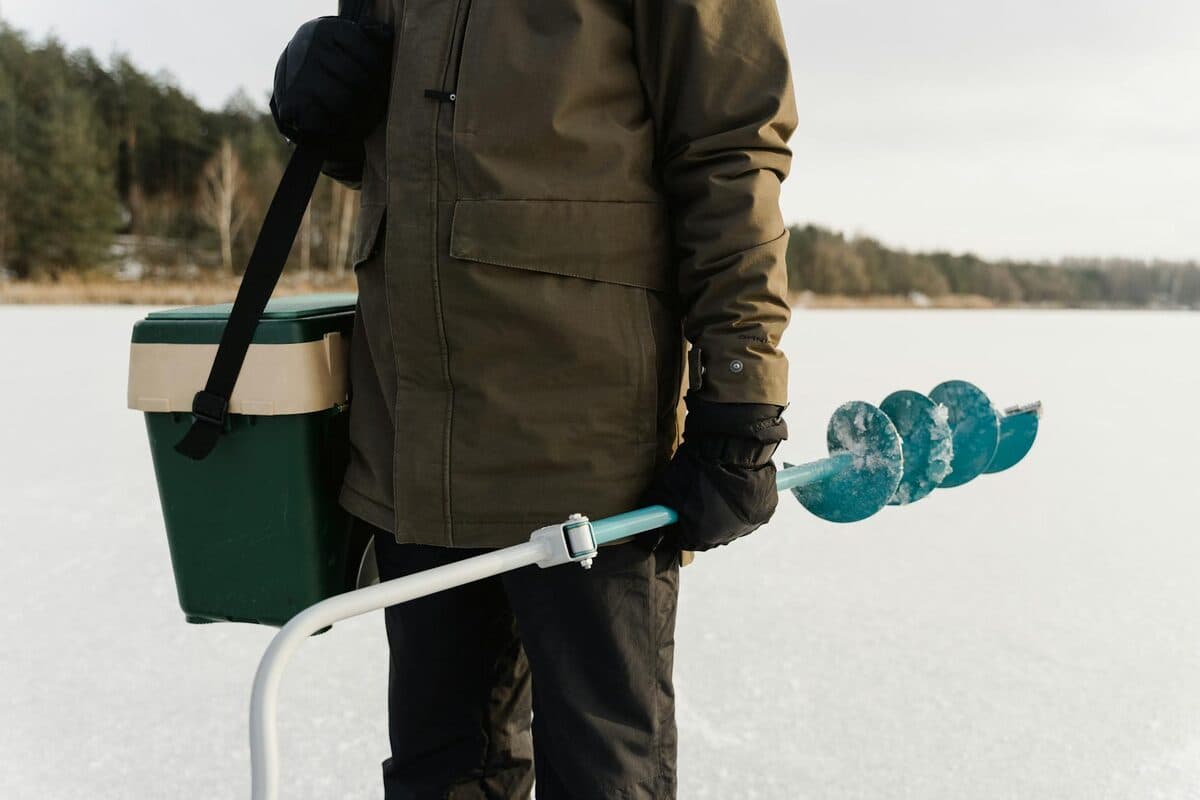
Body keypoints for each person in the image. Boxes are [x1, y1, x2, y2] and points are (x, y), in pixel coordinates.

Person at [270, 1, 796, 796]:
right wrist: (317, 86)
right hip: (416, 437)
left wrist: (740, 396)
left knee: (601, 775)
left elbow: (731, 151)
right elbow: (401, 154)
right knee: (437, 773)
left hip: (586, 449)